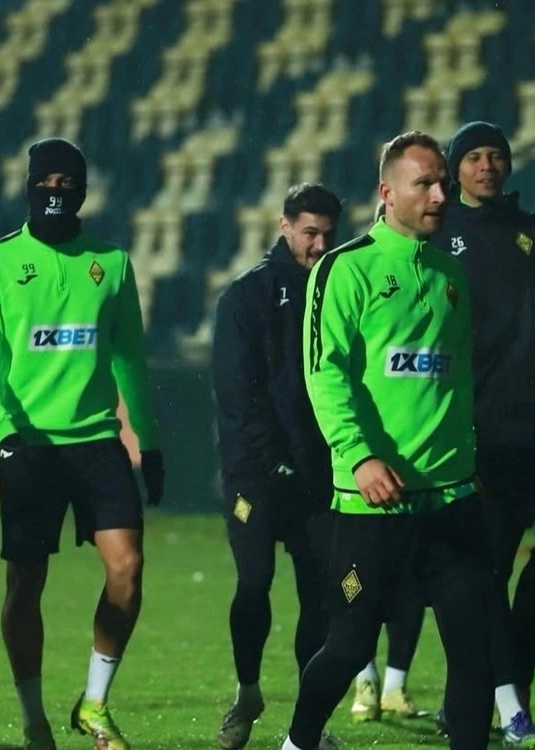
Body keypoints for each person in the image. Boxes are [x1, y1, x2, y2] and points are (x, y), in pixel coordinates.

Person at [282, 130, 495, 750]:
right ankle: (297, 743)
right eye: (423, 184)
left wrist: (469, 461)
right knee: (350, 646)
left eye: (443, 184)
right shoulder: (344, 268)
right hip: (374, 501)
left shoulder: (451, 272)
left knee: (474, 647)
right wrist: (359, 456)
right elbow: (324, 374)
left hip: (451, 497)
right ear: (387, 191)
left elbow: (455, 379)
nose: (439, 195)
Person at [0, 137, 165, 750]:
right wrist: (6, 434)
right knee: (25, 586)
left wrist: (149, 440)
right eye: (44, 182)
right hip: (30, 447)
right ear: (28, 187)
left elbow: (130, 358)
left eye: (66, 183)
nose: (54, 192)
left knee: (127, 569)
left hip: (97, 440)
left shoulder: (112, 264)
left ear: (82, 192)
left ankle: (94, 704)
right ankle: (34, 720)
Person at [428, 121, 535, 747]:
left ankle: (477, 703)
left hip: (523, 434)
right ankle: (496, 706)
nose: (487, 166)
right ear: (456, 169)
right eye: (474, 157)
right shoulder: (437, 234)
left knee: (488, 573)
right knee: (474, 576)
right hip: (461, 435)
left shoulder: (534, 235)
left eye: (496, 156)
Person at [211, 184, 342, 750]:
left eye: (328, 235)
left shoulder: (340, 290)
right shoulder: (247, 296)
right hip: (256, 475)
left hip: (318, 474)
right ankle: (248, 692)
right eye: (310, 233)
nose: (320, 245)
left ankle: (309, 722)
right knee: (254, 580)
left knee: (320, 595)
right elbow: (237, 394)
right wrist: (273, 460)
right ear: (284, 226)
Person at [349, 201, 428, 725]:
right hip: (360, 468)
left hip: (420, 470)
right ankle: (364, 679)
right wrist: (356, 454)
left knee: (411, 585)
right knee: (360, 587)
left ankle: (395, 684)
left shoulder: (437, 277)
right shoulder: (355, 272)